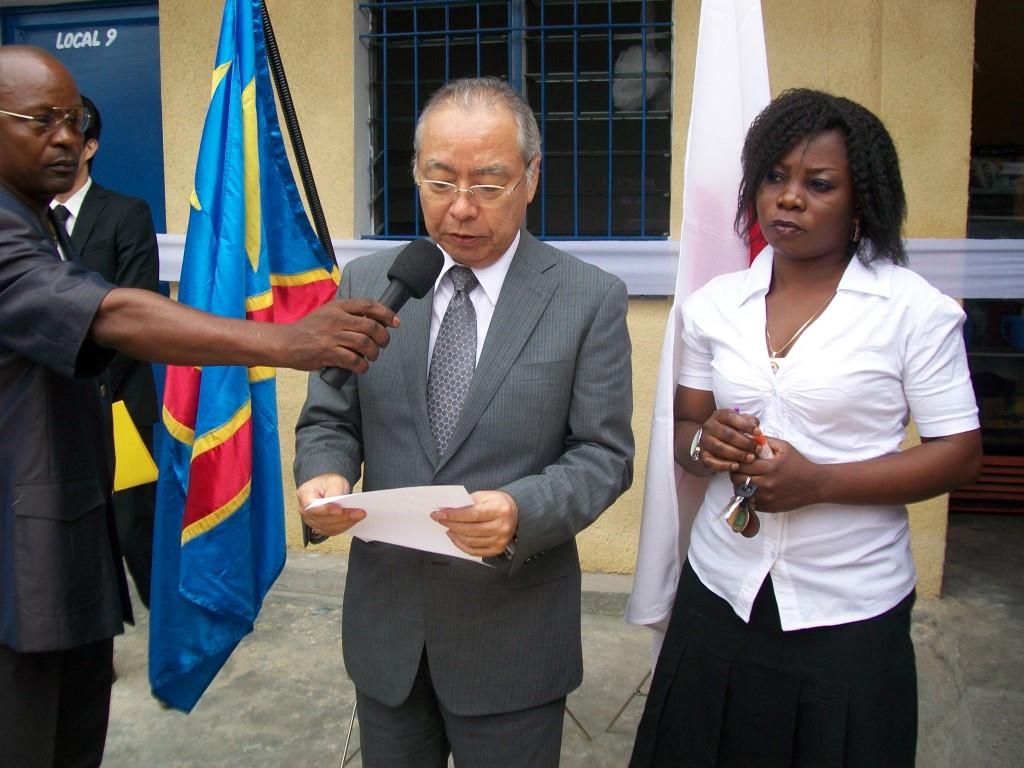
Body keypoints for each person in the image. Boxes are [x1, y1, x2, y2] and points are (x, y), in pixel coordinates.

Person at [0, 46, 397, 768]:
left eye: (73, 119)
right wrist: (286, 340)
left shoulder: (38, 219)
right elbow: (108, 315)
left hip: (68, 546)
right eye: (39, 121)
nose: (64, 136)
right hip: (17, 574)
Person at [630, 88, 982, 767]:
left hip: (847, 603)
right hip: (722, 591)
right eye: (774, 177)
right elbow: (686, 430)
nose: (789, 198)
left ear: (860, 203)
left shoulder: (912, 311)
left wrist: (820, 481)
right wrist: (709, 444)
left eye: (819, 185)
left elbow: (960, 454)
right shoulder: (715, 307)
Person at [294, 76, 634, 767]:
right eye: (440, 181)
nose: (461, 209)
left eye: (489, 184)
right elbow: (330, 416)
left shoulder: (588, 298)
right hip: (387, 632)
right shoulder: (370, 283)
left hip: (511, 635)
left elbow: (603, 455)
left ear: (532, 179)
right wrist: (323, 475)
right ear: (415, 173)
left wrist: (520, 509)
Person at [51, 94, 161, 609]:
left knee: (134, 527)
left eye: (69, 139)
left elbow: (137, 311)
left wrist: (93, 384)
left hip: (117, 403)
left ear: (90, 147)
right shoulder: (24, 220)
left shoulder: (124, 214)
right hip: (46, 410)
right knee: (69, 536)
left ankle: (168, 637)